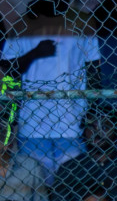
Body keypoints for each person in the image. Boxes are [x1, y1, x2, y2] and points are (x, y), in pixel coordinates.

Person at [1, 25, 100, 179]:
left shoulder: (82, 25)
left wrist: (91, 109)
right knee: (38, 186)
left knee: (72, 186)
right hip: (32, 124)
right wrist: (34, 54)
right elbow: (6, 69)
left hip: (72, 123)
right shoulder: (22, 27)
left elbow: (94, 68)